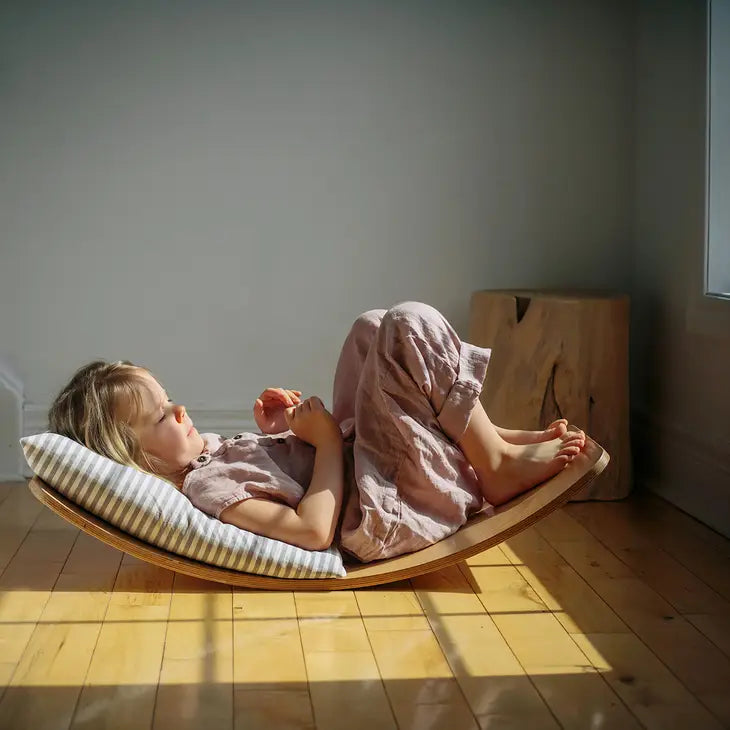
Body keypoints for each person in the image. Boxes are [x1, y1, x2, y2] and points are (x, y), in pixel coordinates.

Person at [47, 301, 586, 562]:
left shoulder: (206, 462)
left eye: (170, 401)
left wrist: (282, 433)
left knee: (370, 329)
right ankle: (489, 465)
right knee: (406, 326)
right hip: (384, 510)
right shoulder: (206, 489)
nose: (181, 409)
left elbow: (285, 477)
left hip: (373, 471)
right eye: (164, 415)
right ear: (142, 461)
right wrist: (326, 441)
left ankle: (493, 441)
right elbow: (312, 531)